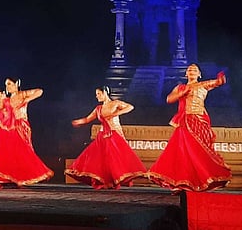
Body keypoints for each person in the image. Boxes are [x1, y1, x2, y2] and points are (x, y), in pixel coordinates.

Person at [145, 64, 232, 192]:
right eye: (189, 70)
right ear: (186, 74)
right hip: (185, 122)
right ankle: (182, 184)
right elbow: (169, 99)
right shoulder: (180, 87)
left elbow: (219, 82)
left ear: (199, 74)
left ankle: (201, 181)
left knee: (200, 152)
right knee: (183, 152)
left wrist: (221, 76)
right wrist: (183, 93)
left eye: (195, 70)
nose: (192, 71)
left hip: (200, 122)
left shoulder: (204, 84)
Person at [65, 85, 146, 189]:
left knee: (114, 159)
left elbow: (130, 107)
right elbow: (87, 119)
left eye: (99, 94)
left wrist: (116, 113)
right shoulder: (98, 109)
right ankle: (106, 181)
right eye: (96, 95)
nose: (97, 96)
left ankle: (115, 180)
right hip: (102, 135)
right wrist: (78, 122)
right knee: (100, 159)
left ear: (105, 93)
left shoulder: (115, 103)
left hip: (114, 134)